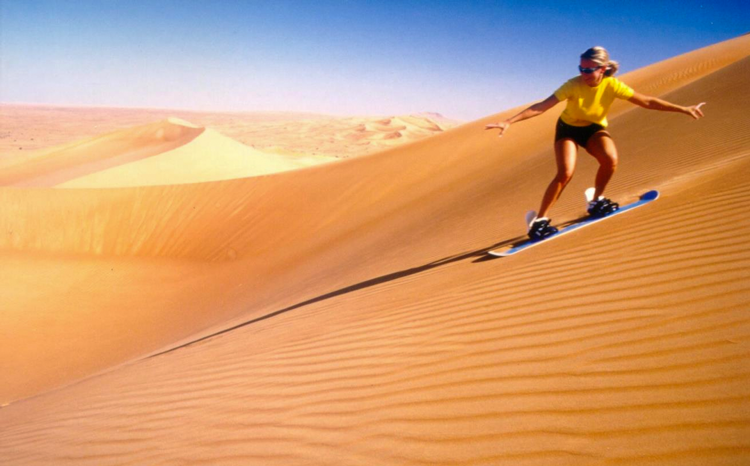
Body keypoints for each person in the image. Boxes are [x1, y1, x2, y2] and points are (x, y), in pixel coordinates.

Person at [485, 46, 705, 240]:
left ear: (602, 69)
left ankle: (596, 200)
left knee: (610, 159)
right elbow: (542, 106)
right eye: (581, 68)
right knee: (565, 173)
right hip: (568, 129)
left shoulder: (612, 85)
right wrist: (508, 122)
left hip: (592, 129)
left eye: (589, 70)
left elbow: (646, 101)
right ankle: (540, 221)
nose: (583, 73)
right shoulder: (572, 85)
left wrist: (683, 109)